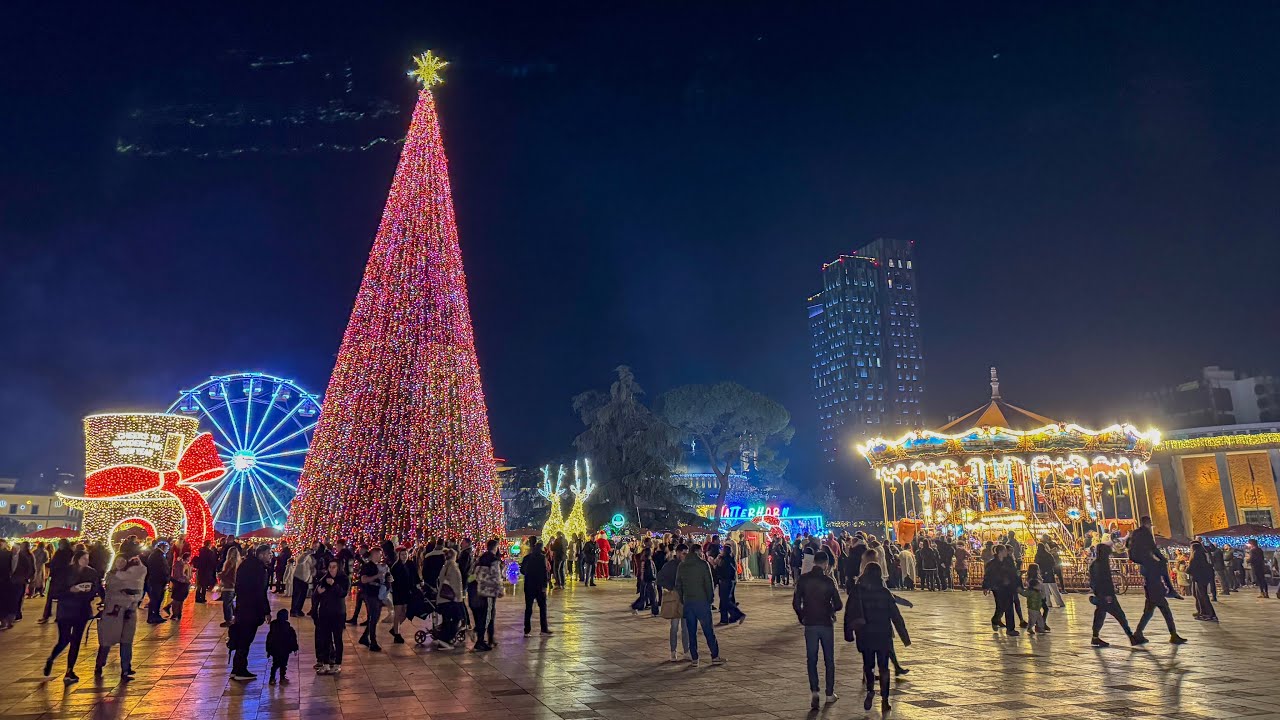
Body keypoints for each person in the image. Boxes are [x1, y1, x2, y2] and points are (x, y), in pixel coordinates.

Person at [844, 562, 909, 713]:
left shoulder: (858, 591)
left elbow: (850, 613)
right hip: (883, 635)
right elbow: (896, 615)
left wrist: (848, 633)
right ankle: (885, 700)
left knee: (868, 665)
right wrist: (904, 636)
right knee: (884, 668)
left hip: (865, 634)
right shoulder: (884, 593)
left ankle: (870, 691)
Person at [43, 550, 101, 684]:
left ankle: (69, 670)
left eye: (87, 559)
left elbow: (95, 588)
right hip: (66, 610)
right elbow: (56, 591)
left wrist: (90, 592)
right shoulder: (65, 572)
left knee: (76, 641)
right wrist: (70, 590)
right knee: (64, 639)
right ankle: (51, 658)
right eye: (84, 559)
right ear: (77, 559)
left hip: (82, 610)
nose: (86, 561)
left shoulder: (91, 572)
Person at [794, 550, 843, 710]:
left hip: (810, 624)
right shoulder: (828, 581)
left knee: (812, 659)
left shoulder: (803, 579)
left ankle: (814, 690)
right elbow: (838, 604)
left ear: (815, 562)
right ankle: (829, 693)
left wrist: (802, 616)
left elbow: (796, 602)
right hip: (826, 624)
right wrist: (829, 609)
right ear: (826, 564)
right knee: (829, 659)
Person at [94, 553, 146, 680]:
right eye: (118, 561)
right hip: (113, 611)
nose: (120, 563)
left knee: (126, 640)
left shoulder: (132, 575)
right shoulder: (112, 576)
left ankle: (125, 669)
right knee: (107, 640)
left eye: (123, 561)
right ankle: (99, 664)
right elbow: (113, 590)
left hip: (128, 612)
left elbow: (138, 587)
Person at [676, 543, 723, 667]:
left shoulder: (682, 565)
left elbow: (678, 585)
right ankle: (715, 656)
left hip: (688, 602)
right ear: (698, 552)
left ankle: (694, 658)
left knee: (691, 632)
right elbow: (709, 584)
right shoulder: (703, 565)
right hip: (702, 602)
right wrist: (710, 599)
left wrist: (683, 599)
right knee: (708, 630)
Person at [230, 544, 272, 681]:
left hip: (242, 607)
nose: (270, 556)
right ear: (261, 554)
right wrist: (266, 611)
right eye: (268, 553)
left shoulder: (245, 565)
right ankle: (241, 670)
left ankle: (236, 669)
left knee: (242, 638)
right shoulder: (258, 569)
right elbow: (260, 592)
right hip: (251, 610)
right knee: (246, 639)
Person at [1132, 556, 1188, 645]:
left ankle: (1138, 633)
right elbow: (1165, 577)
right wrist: (1171, 591)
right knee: (1166, 614)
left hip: (1150, 590)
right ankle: (1173, 635)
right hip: (1157, 590)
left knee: (1148, 613)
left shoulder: (1144, 562)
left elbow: (1143, 573)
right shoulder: (1158, 562)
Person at [1089, 543, 1135, 647]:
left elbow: (1093, 582)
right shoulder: (1101, 565)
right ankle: (1131, 636)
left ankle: (1095, 637)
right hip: (1107, 595)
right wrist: (1107, 594)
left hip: (1101, 595)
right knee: (1120, 616)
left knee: (1100, 616)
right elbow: (1104, 581)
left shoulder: (1095, 564)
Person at [1127, 516, 1180, 598]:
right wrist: (1162, 558)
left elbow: (1129, 544)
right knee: (1162, 566)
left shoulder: (1136, 532)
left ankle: (1163, 590)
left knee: (1151, 576)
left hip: (1137, 557)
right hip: (1145, 558)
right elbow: (1153, 548)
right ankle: (1169, 588)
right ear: (1147, 523)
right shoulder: (1146, 533)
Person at [312, 559, 348, 675]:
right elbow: (317, 593)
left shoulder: (343, 579)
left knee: (337, 639)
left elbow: (342, 593)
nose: (331, 569)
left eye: (334, 567)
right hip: (325, 613)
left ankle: (337, 664)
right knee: (325, 639)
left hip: (338, 613)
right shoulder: (324, 579)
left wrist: (334, 585)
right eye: (330, 567)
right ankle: (326, 663)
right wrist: (319, 592)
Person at [658, 543, 689, 661]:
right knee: (674, 626)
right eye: (683, 553)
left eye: (686, 553)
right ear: (678, 553)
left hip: (686, 599)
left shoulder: (687, 565)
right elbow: (660, 578)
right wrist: (671, 587)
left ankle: (686, 651)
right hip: (675, 599)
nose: (685, 555)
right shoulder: (670, 565)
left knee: (686, 627)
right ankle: (673, 651)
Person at [471, 539, 503, 651]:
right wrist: (500, 590)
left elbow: (475, 574)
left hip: (480, 591)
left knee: (484, 615)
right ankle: (481, 640)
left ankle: (489, 639)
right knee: (489, 616)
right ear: (495, 547)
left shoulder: (481, 558)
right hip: (489, 592)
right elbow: (496, 576)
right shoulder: (494, 560)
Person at [982, 544, 1018, 635]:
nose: (1007, 552)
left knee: (1009, 606)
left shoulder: (1008, 562)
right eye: (1005, 551)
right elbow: (988, 575)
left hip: (1008, 587)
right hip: (997, 587)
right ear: (1000, 552)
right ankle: (995, 620)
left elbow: (1013, 573)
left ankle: (1010, 629)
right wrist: (986, 586)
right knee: (1001, 606)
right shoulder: (992, 563)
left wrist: (1016, 583)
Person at [520, 539, 552, 636]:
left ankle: (527, 630)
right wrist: (544, 585)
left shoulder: (527, 557)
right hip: (539, 586)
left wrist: (529, 574)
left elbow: (522, 571)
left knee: (528, 608)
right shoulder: (542, 558)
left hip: (529, 585)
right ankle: (544, 629)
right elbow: (544, 573)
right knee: (542, 607)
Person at [40, 539, 73, 624]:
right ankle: (49, 615)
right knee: (53, 598)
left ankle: (56, 616)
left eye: (61, 544)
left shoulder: (66, 553)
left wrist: (51, 566)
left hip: (61, 578)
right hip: (58, 577)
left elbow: (58, 564)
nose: (60, 545)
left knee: (59, 598)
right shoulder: (64, 552)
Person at [3, 542, 34, 629]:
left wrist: (26, 578)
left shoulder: (24, 558)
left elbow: (30, 569)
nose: (14, 551)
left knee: (16, 599)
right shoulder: (7, 556)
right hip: (8, 582)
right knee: (9, 599)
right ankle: (8, 617)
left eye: (16, 549)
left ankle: (12, 617)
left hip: (19, 582)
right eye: (13, 549)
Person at [1187, 541, 1219, 621]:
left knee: (1203, 596)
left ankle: (1209, 614)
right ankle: (1202, 612)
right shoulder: (1202, 553)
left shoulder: (1197, 555)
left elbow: (1192, 567)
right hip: (1201, 577)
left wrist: (1187, 570)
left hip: (1200, 577)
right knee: (1198, 595)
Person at [265, 609, 299, 684]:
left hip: (275, 650)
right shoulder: (289, 628)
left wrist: (268, 650)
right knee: (283, 664)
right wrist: (295, 648)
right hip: (285, 650)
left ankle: (272, 678)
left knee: (275, 664)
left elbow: (269, 640)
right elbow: (292, 639)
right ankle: (282, 678)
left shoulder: (273, 629)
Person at [715, 545, 745, 625]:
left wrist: (716, 563)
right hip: (730, 581)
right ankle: (728, 618)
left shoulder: (724, 559)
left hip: (725, 581)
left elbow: (719, 569)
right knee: (726, 600)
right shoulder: (731, 558)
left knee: (725, 600)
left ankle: (739, 614)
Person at [290, 543, 317, 617]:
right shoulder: (303, 555)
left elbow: (312, 567)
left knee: (302, 595)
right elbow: (300, 561)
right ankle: (293, 610)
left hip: (306, 579)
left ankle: (298, 610)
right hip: (299, 577)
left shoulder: (311, 558)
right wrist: (307, 553)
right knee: (297, 595)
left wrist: (312, 573)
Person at [1020, 564, 1047, 635]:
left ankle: (1040, 627)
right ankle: (1031, 627)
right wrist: (1019, 590)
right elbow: (1024, 593)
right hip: (1032, 606)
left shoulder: (1037, 591)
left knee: (1038, 618)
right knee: (1033, 618)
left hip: (1036, 606)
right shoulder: (1032, 591)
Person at [631, 549, 658, 616]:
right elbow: (650, 572)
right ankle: (654, 611)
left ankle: (636, 607)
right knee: (650, 597)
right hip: (648, 581)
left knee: (646, 597)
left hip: (647, 581)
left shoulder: (646, 561)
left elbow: (645, 573)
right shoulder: (648, 561)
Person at [219, 547, 240, 627]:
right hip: (234, 585)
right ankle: (234, 617)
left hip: (228, 585)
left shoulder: (229, 562)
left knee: (227, 604)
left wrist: (219, 575)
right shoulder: (238, 562)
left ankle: (229, 620)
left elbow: (225, 573)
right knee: (230, 603)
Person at [169, 550, 193, 620]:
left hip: (181, 583)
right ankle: (177, 614)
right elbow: (183, 574)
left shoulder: (182, 564)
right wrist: (187, 577)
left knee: (178, 599)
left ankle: (177, 614)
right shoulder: (184, 565)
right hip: (182, 583)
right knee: (178, 600)